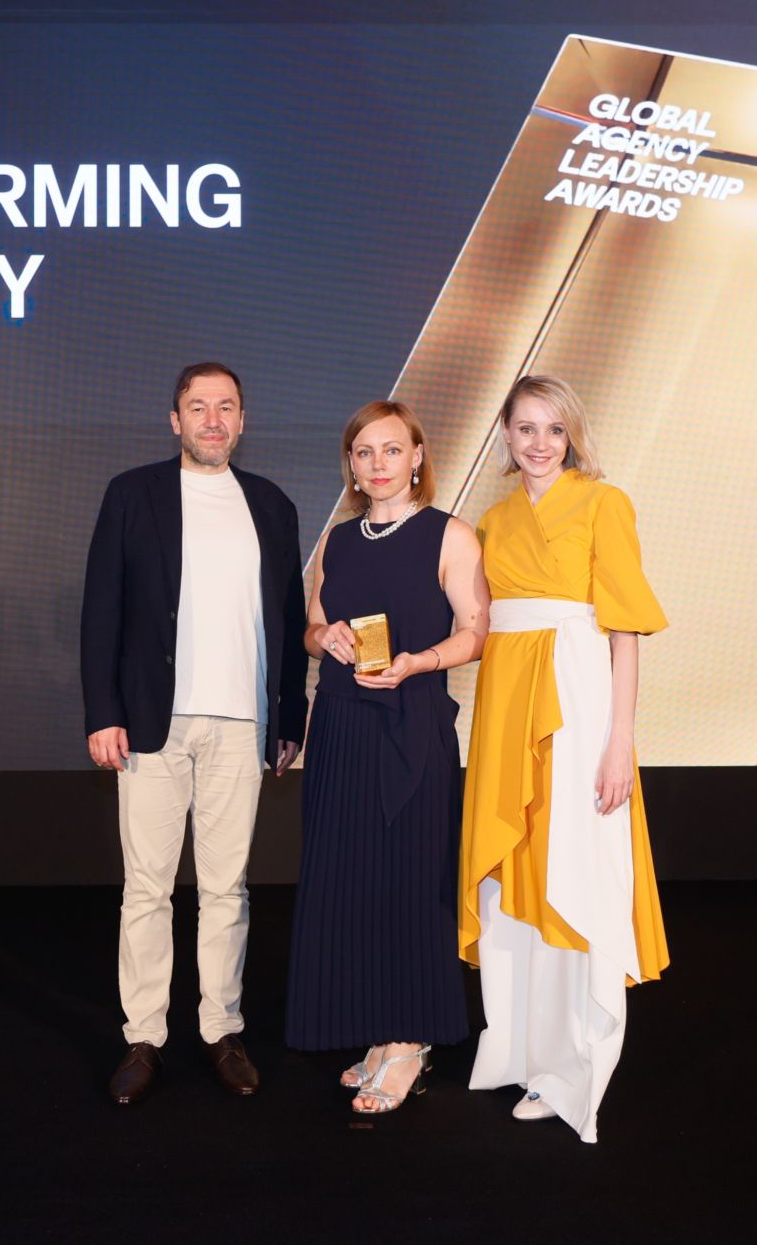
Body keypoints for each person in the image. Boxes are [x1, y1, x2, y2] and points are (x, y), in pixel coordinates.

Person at [80, 362, 308, 1105]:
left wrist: (289, 716)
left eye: (226, 407)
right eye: (199, 407)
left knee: (226, 889)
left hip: (241, 725)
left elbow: (287, 615)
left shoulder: (271, 505)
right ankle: (144, 1036)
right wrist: (103, 711)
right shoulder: (132, 494)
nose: (213, 419)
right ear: (175, 420)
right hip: (152, 723)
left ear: (242, 420)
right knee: (147, 888)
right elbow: (102, 610)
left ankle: (221, 1030)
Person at [460, 373, 670, 1143]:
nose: (540, 443)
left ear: (572, 434)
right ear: (506, 436)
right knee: (515, 875)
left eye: (554, 428)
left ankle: (573, 1067)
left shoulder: (604, 503)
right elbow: (476, 622)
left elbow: (626, 632)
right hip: (504, 710)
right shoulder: (491, 520)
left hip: (577, 707)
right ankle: (523, 1050)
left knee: (571, 873)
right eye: (526, 429)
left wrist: (620, 740)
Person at [285, 401, 487, 1115]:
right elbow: (312, 625)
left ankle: (409, 1041)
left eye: (392, 449)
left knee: (408, 880)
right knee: (351, 881)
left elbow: (477, 632)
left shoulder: (449, 534)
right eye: (364, 452)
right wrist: (325, 639)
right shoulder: (337, 540)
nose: (378, 464)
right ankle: (378, 1033)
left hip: (412, 727)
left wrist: (418, 662)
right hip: (341, 727)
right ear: (351, 463)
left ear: (418, 457)